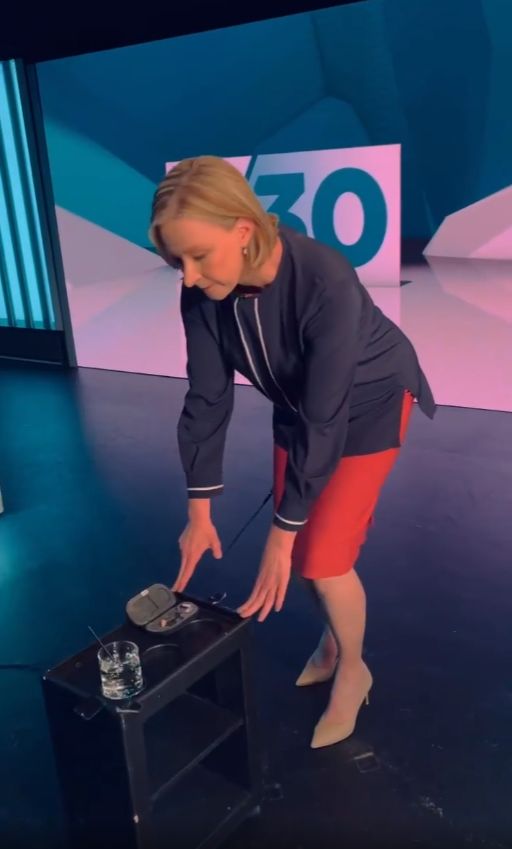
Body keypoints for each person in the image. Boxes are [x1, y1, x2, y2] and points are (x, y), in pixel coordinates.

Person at [149, 155, 436, 749]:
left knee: (319, 559)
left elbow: (327, 418)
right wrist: (199, 514)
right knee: (306, 551)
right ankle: (334, 637)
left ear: (243, 230)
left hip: (369, 403)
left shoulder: (325, 280)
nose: (189, 277)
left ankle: (354, 669)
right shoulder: (201, 292)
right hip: (299, 407)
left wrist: (280, 537)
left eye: (198, 256)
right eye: (177, 261)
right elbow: (207, 397)